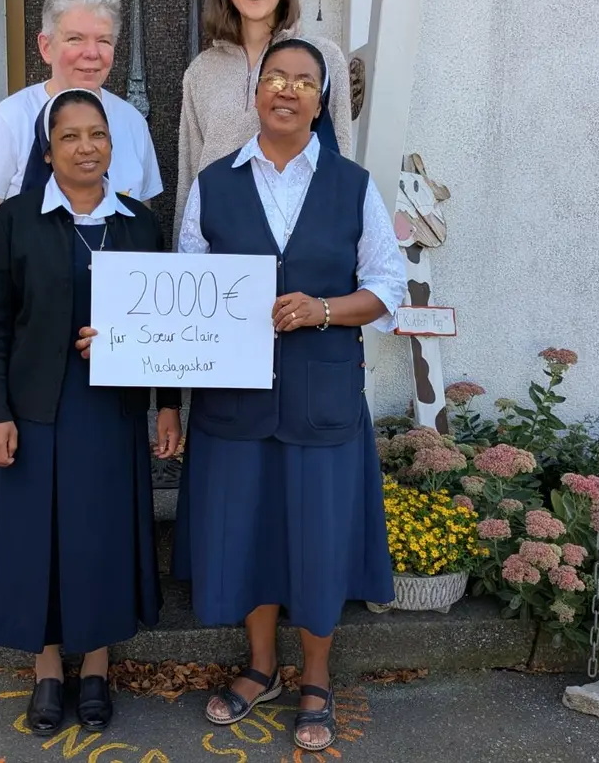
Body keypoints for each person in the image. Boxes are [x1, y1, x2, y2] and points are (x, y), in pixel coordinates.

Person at [171, 39, 404, 753]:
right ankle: (262, 667)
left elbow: (387, 287)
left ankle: (317, 678)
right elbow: (184, 291)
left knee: (319, 541)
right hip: (235, 406)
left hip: (321, 399)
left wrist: (324, 309)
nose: (287, 89)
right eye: (275, 76)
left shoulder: (353, 185)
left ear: (321, 101)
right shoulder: (213, 184)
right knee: (250, 537)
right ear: (255, 92)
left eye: (305, 81)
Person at [0, 88, 183, 738]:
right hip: (34, 409)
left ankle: (95, 667)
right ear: (48, 150)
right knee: (39, 541)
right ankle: (46, 670)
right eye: (70, 136)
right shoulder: (15, 220)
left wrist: (168, 406)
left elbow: (167, 325)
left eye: (97, 135)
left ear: (112, 146)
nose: (86, 147)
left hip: (109, 411)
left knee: (100, 538)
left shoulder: (139, 224)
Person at [0, 0, 164, 367]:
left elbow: (142, 228)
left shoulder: (131, 123)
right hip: (29, 329)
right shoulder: (8, 120)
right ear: (46, 46)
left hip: (113, 336)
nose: (92, 53)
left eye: (103, 40)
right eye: (75, 39)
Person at [173, 0, 354, 244]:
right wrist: (184, 257)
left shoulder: (323, 58)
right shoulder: (201, 71)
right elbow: (190, 177)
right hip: (224, 243)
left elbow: (342, 160)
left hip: (301, 241)